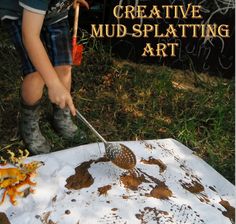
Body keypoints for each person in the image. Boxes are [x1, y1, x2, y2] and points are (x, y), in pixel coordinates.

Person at [0, 0, 89, 154]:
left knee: (64, 66)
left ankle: (61, 116)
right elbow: (30, 36)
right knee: (37, 73)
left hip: (54, 14)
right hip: (20, 16)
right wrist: (53, 84)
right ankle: (29, 125)